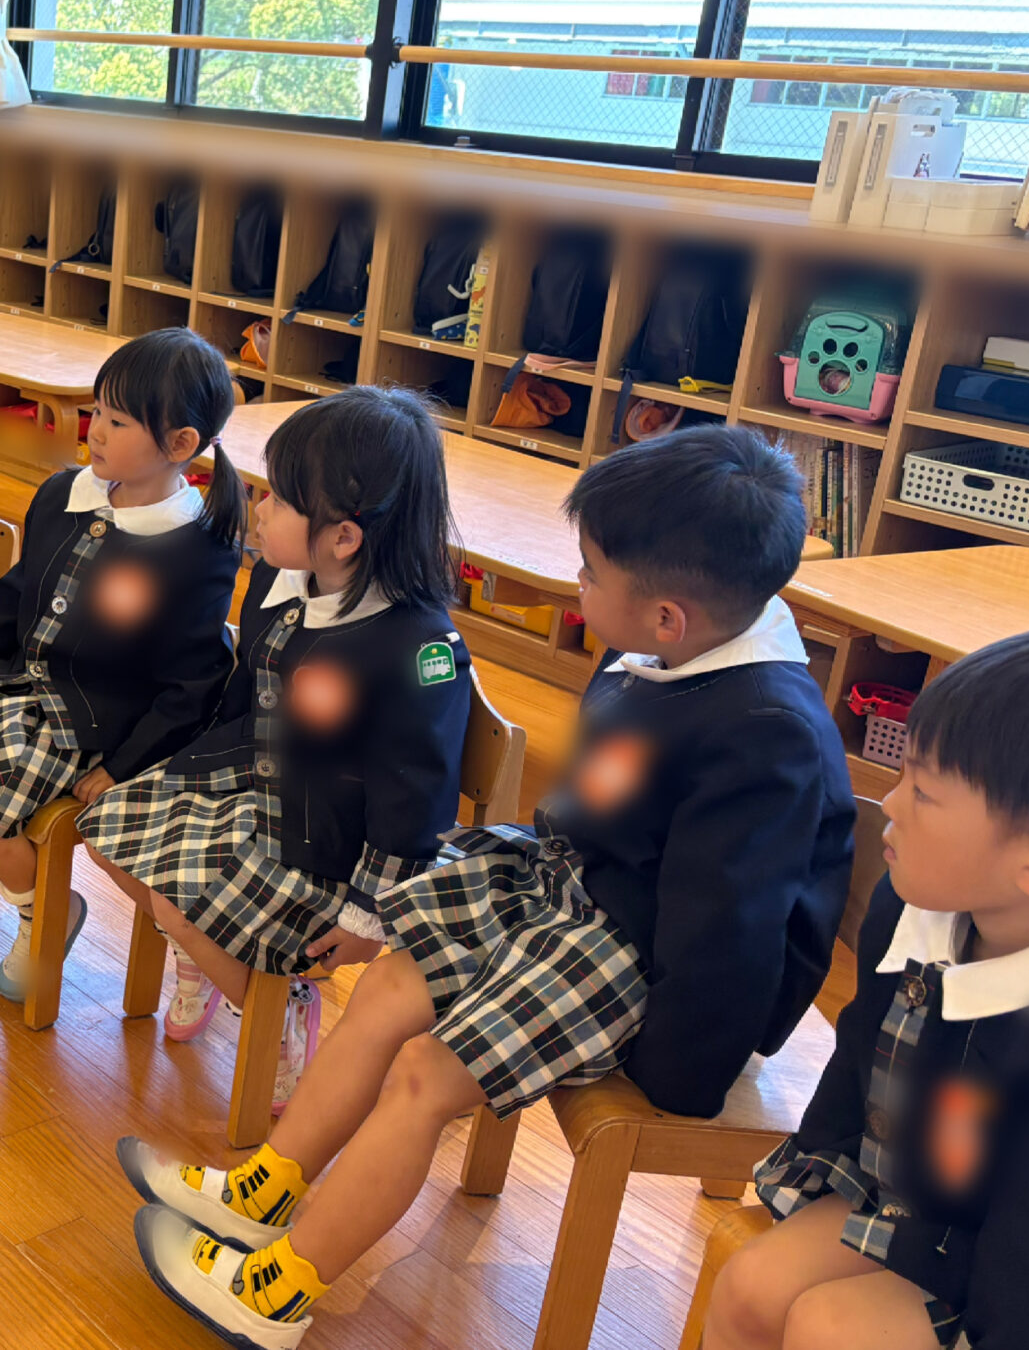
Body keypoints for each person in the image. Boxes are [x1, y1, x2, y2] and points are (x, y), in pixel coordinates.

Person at [117, 425, 856, 1350]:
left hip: (649, 961)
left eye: (589, 574)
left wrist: (673, 1074)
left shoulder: (767, 734)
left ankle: (279, 1289)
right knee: (390, 984)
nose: (577, 588)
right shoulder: (663, 647)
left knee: (426, 1075)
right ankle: (264, 1192)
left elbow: (729, 935)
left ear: (668, 617)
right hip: (578, 885)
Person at [707, 625, 1029, 1350]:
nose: (891, 803)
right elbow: (860, 1055)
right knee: (752, 1285)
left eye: (926, 792)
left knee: (832, 1329)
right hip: (924, 1202)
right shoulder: (914, 901)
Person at [81, 386, 472, 1107]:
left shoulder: (421, 648)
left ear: (344, 538)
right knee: (105, 833)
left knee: (177, 902)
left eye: (280, 500)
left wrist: (369, 915)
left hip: (328, 847)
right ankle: (208, 957)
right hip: (254, 790)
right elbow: (247, 689)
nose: (257, 509)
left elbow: (414, 795)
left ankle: (279, 1005)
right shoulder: (278, 574)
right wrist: (182, 767)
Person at [0, 326, 243, 998]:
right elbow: (11, 598)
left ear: (180, 444)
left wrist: (120, 766)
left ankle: (43, 911)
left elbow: (193, 681)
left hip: (92, 723)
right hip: (16, 693)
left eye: (118, 422)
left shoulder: (197, 549)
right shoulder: (63, 494)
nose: (94, 430)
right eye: (97, 411)